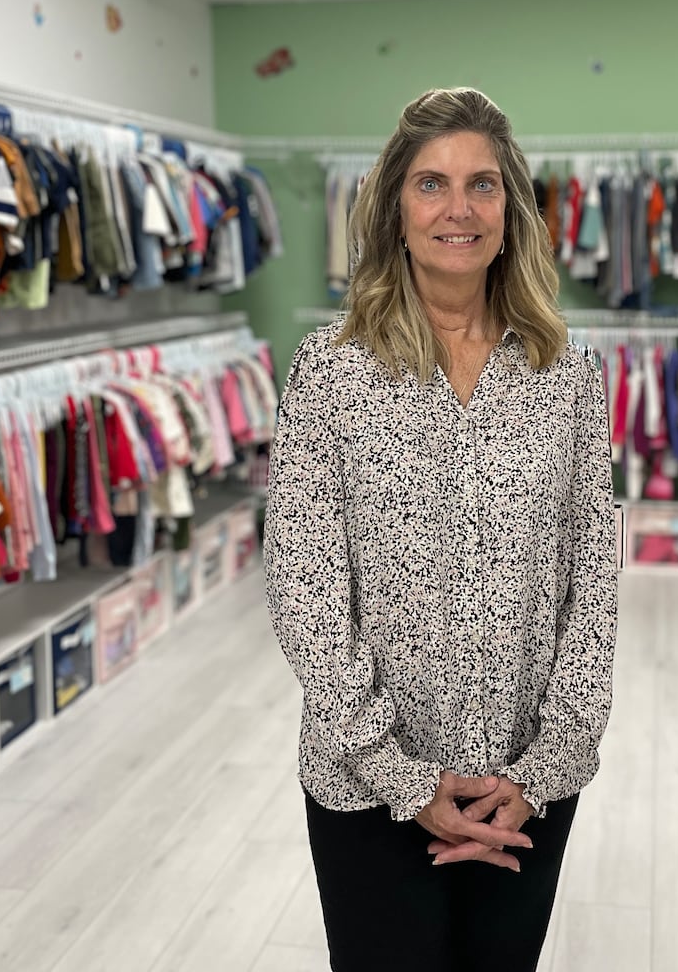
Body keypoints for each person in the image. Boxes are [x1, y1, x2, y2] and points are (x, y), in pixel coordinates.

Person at [264, 87, 619, 972]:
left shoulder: (568, 374)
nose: (458, 209)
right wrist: (402, 778)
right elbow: (303, 582)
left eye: (483, 186)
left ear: (514, 212)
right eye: (430, 185)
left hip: (522, 784)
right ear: (393, 209)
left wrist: (545, 769)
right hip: (368, 783)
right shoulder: (332, 371)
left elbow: (594, 580)